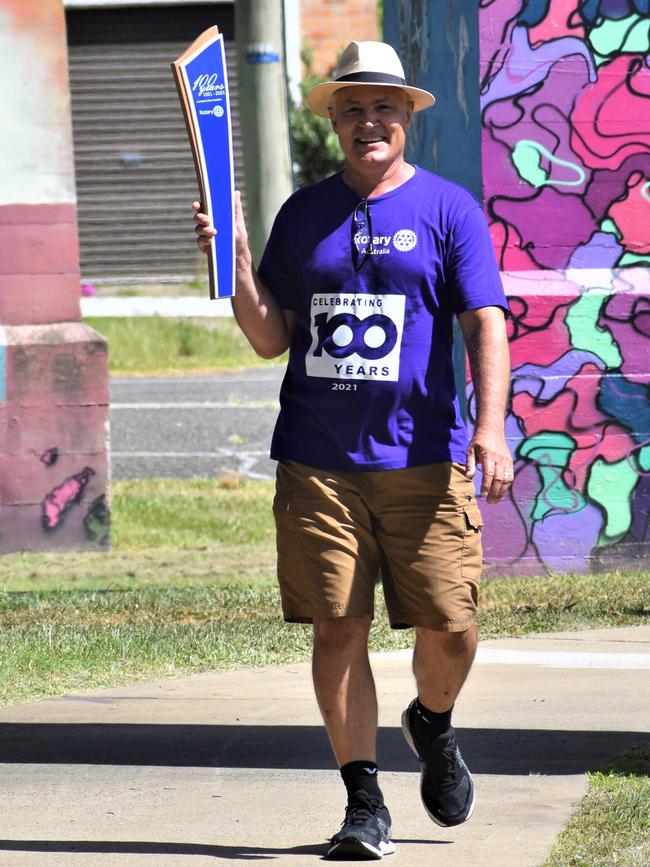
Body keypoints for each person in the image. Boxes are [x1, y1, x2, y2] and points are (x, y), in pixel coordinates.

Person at [194, 40, 512, 861]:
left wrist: (491, 424)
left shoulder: (450, 210)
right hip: (317, 460)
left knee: (453, 625)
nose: (368, 121)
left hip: (425, 460)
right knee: (338, 627)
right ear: (334, 120)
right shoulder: (303, 214)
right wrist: (231, 262)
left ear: (406, 117)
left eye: (384, 107)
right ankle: (363, 802)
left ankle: (432, 723)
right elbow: (270, 335)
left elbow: (486, 322)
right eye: (352, 108)